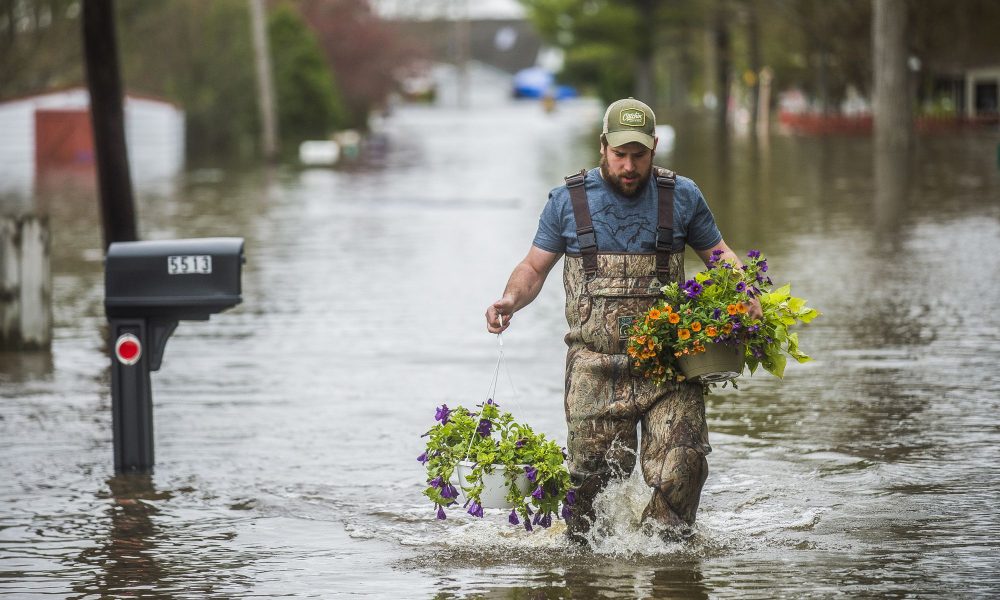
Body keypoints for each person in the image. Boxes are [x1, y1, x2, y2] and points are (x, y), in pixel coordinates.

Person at [485, 97, 761, 543]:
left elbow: (719, 256)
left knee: (685, 465)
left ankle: (661, 553)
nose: (629, 166)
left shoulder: (682, 196)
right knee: (586, 507)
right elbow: (533, 268)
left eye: (639, 155)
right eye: (620, 154)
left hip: (669, 367)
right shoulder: (568, 200)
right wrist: (509, 300)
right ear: (602, 147)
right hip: (595, 369)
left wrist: (744, 291)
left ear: (654, 148)